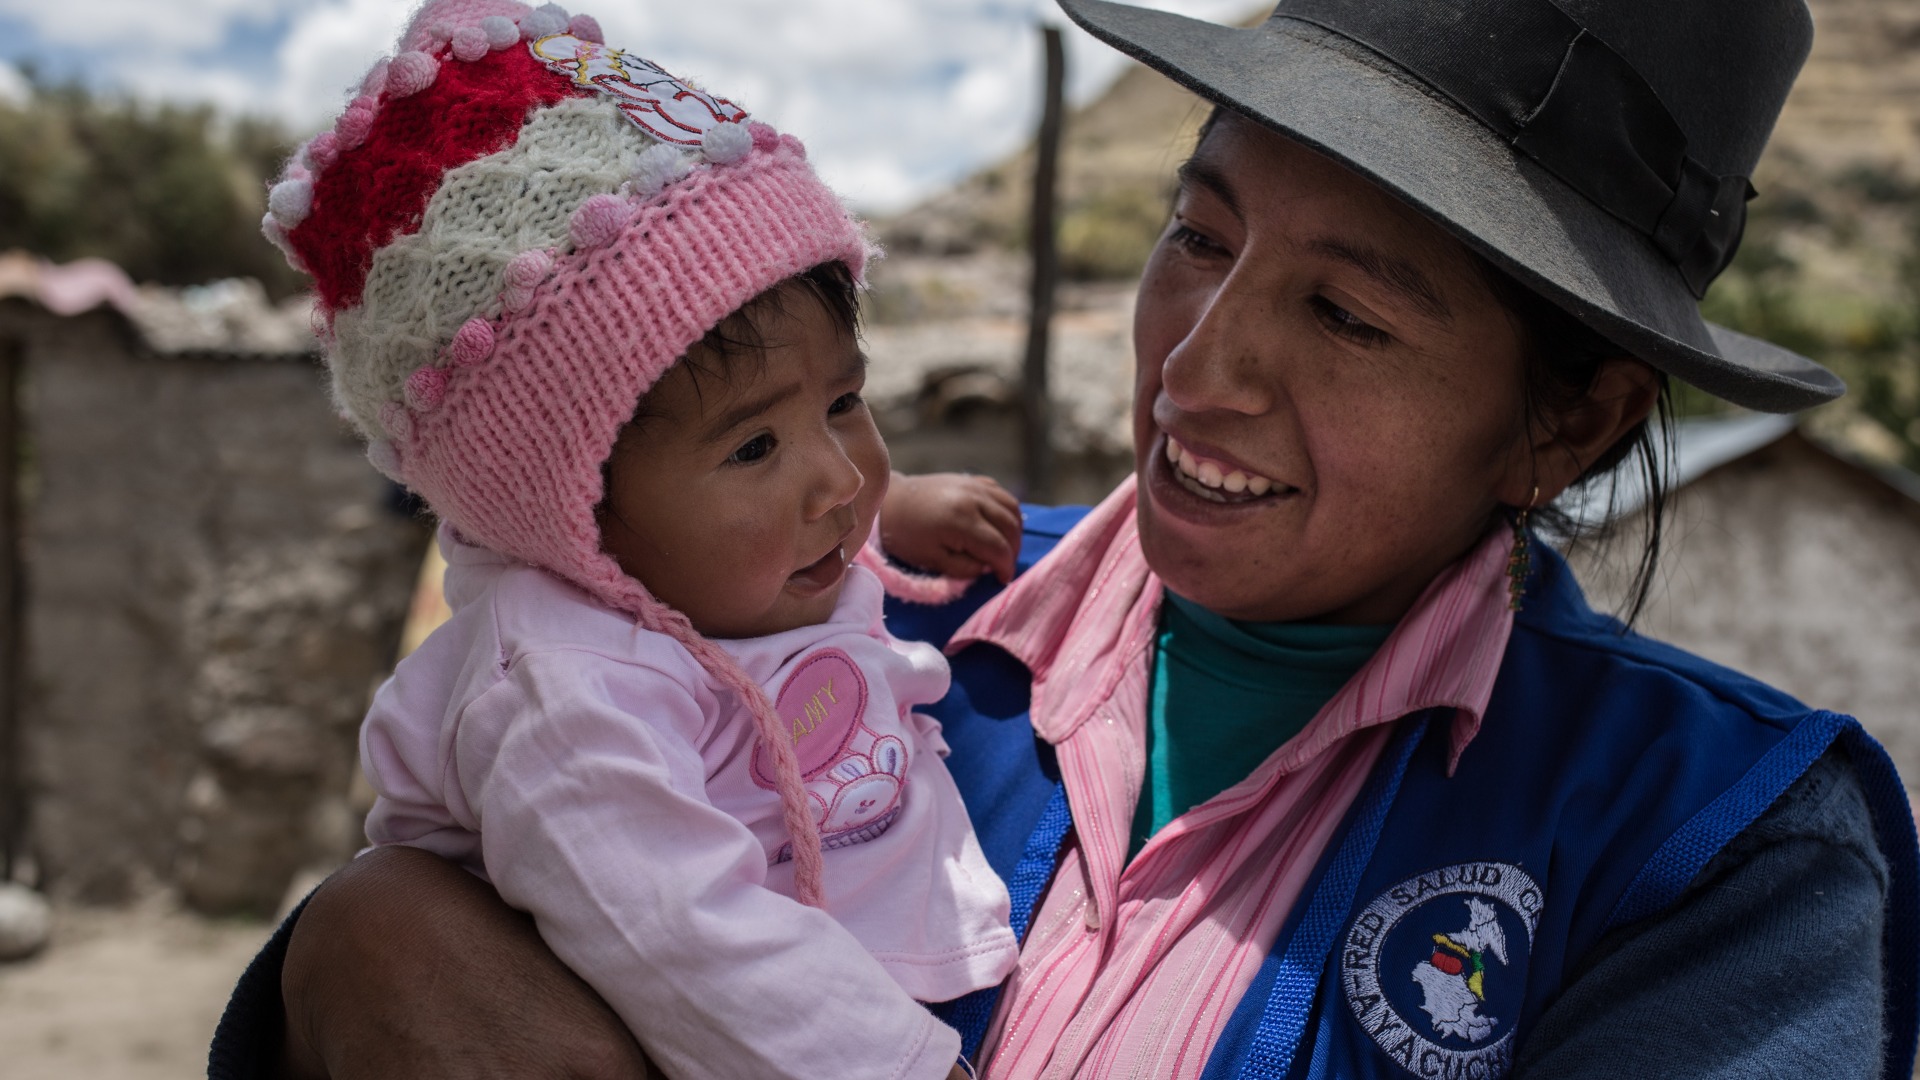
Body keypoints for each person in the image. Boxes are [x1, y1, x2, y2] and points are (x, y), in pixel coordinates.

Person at [212, 0, 1920, 1078]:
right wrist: (376, 952)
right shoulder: (853, 616)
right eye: (1199, 237)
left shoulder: (1722, 850)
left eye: (1342, 312)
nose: (1199, 360)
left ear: (1570, 423)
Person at [245, 2, 1040, 1076]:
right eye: (755, 448)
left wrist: (891, 508)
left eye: (846, 402)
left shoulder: (727, 562)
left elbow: (808, 485)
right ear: (571, 512)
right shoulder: (564, 697)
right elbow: (677, 935)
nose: (836, 478)